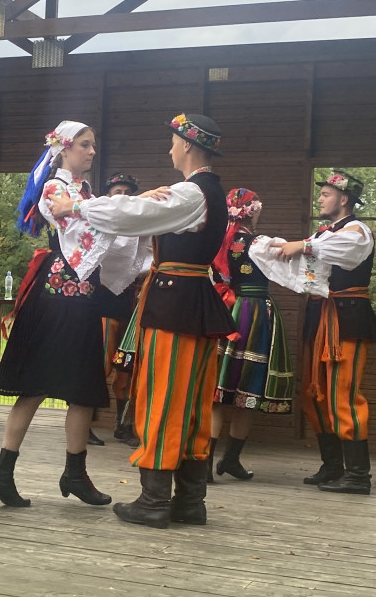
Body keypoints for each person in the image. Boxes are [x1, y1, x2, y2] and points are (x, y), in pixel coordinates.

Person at [48, 112, 236, 528]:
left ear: (187, 145)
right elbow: (138, 212)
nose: (170, 148)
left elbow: (128, 215)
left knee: (165, 397)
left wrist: (74, 205)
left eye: (173, 141)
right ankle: (189, 500)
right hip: (189, 303)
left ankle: (155, 501)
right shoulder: (198, 192)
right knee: (188, 401)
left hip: (176, 306)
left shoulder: (193, 193)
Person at [0, 122, 145, 511]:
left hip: (79, 295)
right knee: (36, 384)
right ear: (65, 149)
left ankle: (72, 473)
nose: (92, 152)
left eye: (94, 145)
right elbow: (90, 232)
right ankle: (4, 473)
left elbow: (109, 230)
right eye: (85, 145)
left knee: (83, 388)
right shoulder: (55, 189)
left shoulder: (83, 192)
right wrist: (120, 210)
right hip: (58, 294)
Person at [250, 170, 376, 495]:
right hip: (319, 316)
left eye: (326, 194)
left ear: (344, 199)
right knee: (314, 392)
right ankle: (333, 465)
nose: (321, 198)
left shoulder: (357, 230)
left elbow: (341, 250)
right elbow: (308, 261)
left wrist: (302, 245)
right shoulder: (324, 234)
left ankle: (357, 475)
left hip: (346, 318)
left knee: (342, 392)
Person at [209, 188, 294, 482]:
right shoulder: (258, 243)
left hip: (222, 311)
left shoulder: (217, 241)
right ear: (252, 210)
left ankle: (206, 466)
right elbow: (291, 260)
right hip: (253, 313)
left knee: (218, 392)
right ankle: (230, 458)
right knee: (248, 390)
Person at [96, 172, 143, 448]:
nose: (123, 196)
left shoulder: (139, 227)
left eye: (128, 192)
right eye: (117, 192)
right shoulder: (103, 224)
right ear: (108, 196)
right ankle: (83, 422)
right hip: (103, 302)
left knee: (127, 367)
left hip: (131, 304)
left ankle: (122, 424)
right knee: (98, 365)